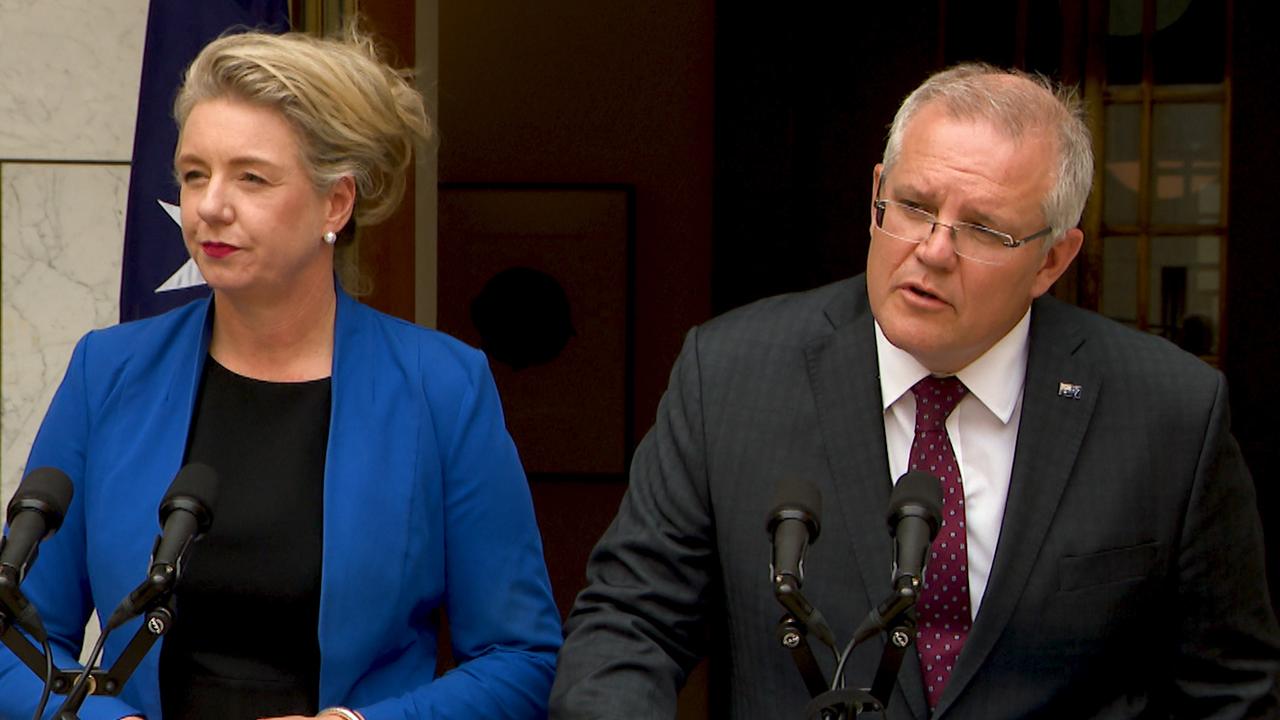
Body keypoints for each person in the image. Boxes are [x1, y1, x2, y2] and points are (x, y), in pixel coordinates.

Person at [550, 64, 1280, 718]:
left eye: (984, 229)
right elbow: (630, 625)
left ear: (1053, 259)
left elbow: (1226, 689)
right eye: (915, 207)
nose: (933, 250)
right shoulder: (732, 373)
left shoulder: (1168, 411)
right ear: (876, 197)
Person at [0, 25, 561, 720]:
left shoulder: (443, 388)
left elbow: (520, 659)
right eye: (194, 174)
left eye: (251, 177)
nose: (210, 206)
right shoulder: (107, 373)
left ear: (336, 203)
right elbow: (14, 644)